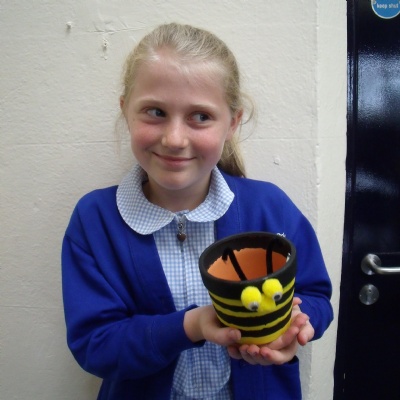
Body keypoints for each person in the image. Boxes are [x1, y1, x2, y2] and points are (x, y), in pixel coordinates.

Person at [62, 22, 333, 400]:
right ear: (126, 112)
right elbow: (95, 344)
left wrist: (299, 325)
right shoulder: (95, 221)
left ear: (232, 123)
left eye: (201, 116)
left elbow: (315, 294)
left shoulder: (269, 208)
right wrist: (191, 326)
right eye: (155, 111)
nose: (174, 139)